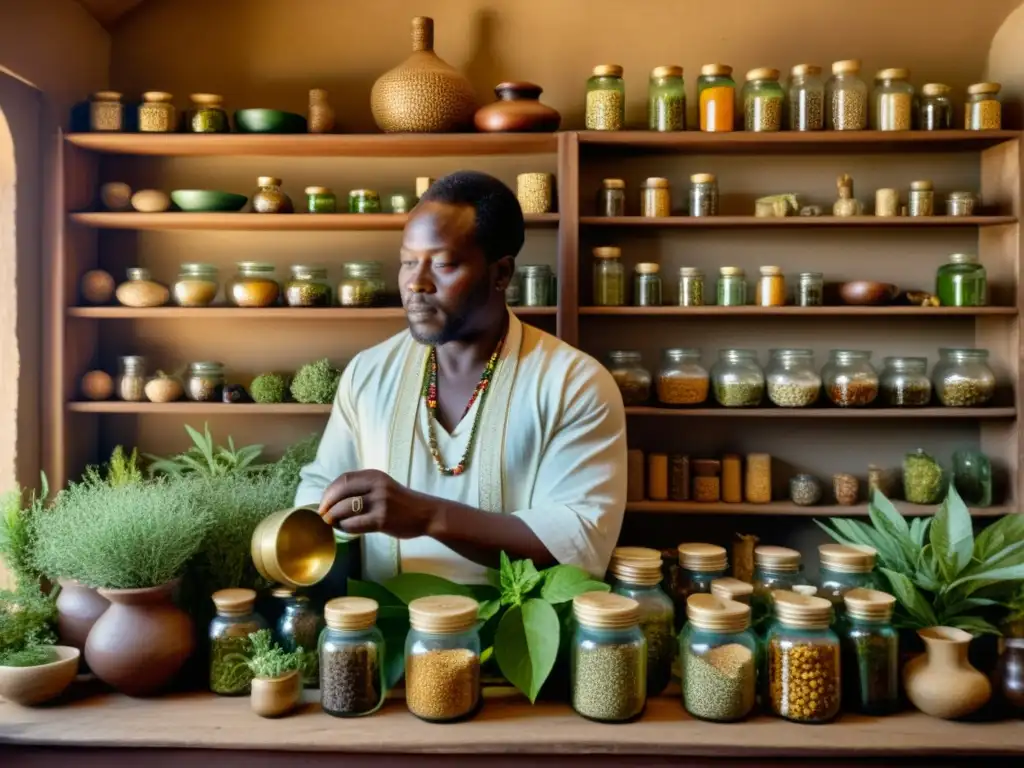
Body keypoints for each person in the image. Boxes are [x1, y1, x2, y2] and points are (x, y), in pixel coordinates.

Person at [295, 170, 626, 585]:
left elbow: (578, 539)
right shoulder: (369, 373)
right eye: (408, 262)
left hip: (517, 641)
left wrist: (426, 515)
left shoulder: (573, 384)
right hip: (383, 636)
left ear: (501, 274)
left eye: (444, 264)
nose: (416, 283)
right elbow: (321, 492)